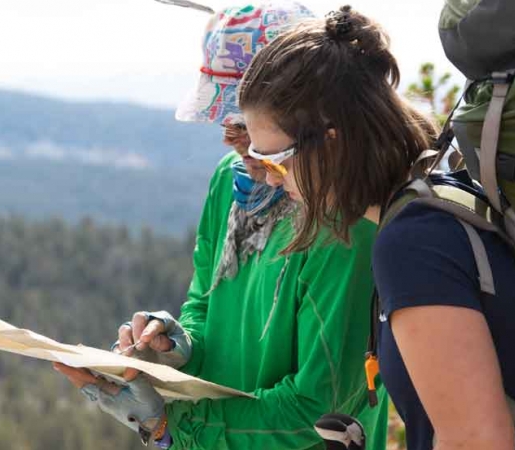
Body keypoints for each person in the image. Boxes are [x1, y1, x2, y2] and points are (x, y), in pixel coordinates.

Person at [54, 2, 390, 449]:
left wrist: (178, 429)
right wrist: (179, 348)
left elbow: (318, 408)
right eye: (231, 128)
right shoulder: (228, 185)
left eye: (257, 137)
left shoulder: (347, 227)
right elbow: (204, 302)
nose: (244, 150)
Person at [237, 5, 515, 450]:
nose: (270, 178)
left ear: (331, 144)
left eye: (274, 161)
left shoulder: (413, 242)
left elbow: (477, 442)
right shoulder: (440, 193)